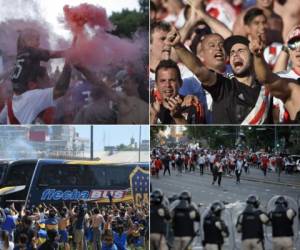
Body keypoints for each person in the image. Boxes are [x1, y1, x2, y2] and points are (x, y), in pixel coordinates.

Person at [165, 27, 272, 124]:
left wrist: (259, 56)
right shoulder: (223, 87)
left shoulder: (267, 90)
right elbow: (199, 70)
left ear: (252, 56)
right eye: (232, 52)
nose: (235, 54)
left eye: (241, 51)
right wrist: (178, 46)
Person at [250, 32, 300, 122]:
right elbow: (267, 80)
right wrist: (258, 57)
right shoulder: (293, 86)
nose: (298, 49)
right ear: (288, 50)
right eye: (293, 45)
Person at [151, 59, 204, 124]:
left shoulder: (191, 106)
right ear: (156, 85)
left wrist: (178, 117)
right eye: (163, 81)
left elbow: (193, 132)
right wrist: (154, 116)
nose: (168, 85)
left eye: (172, 80)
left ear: (180, 83)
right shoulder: (149, 106)